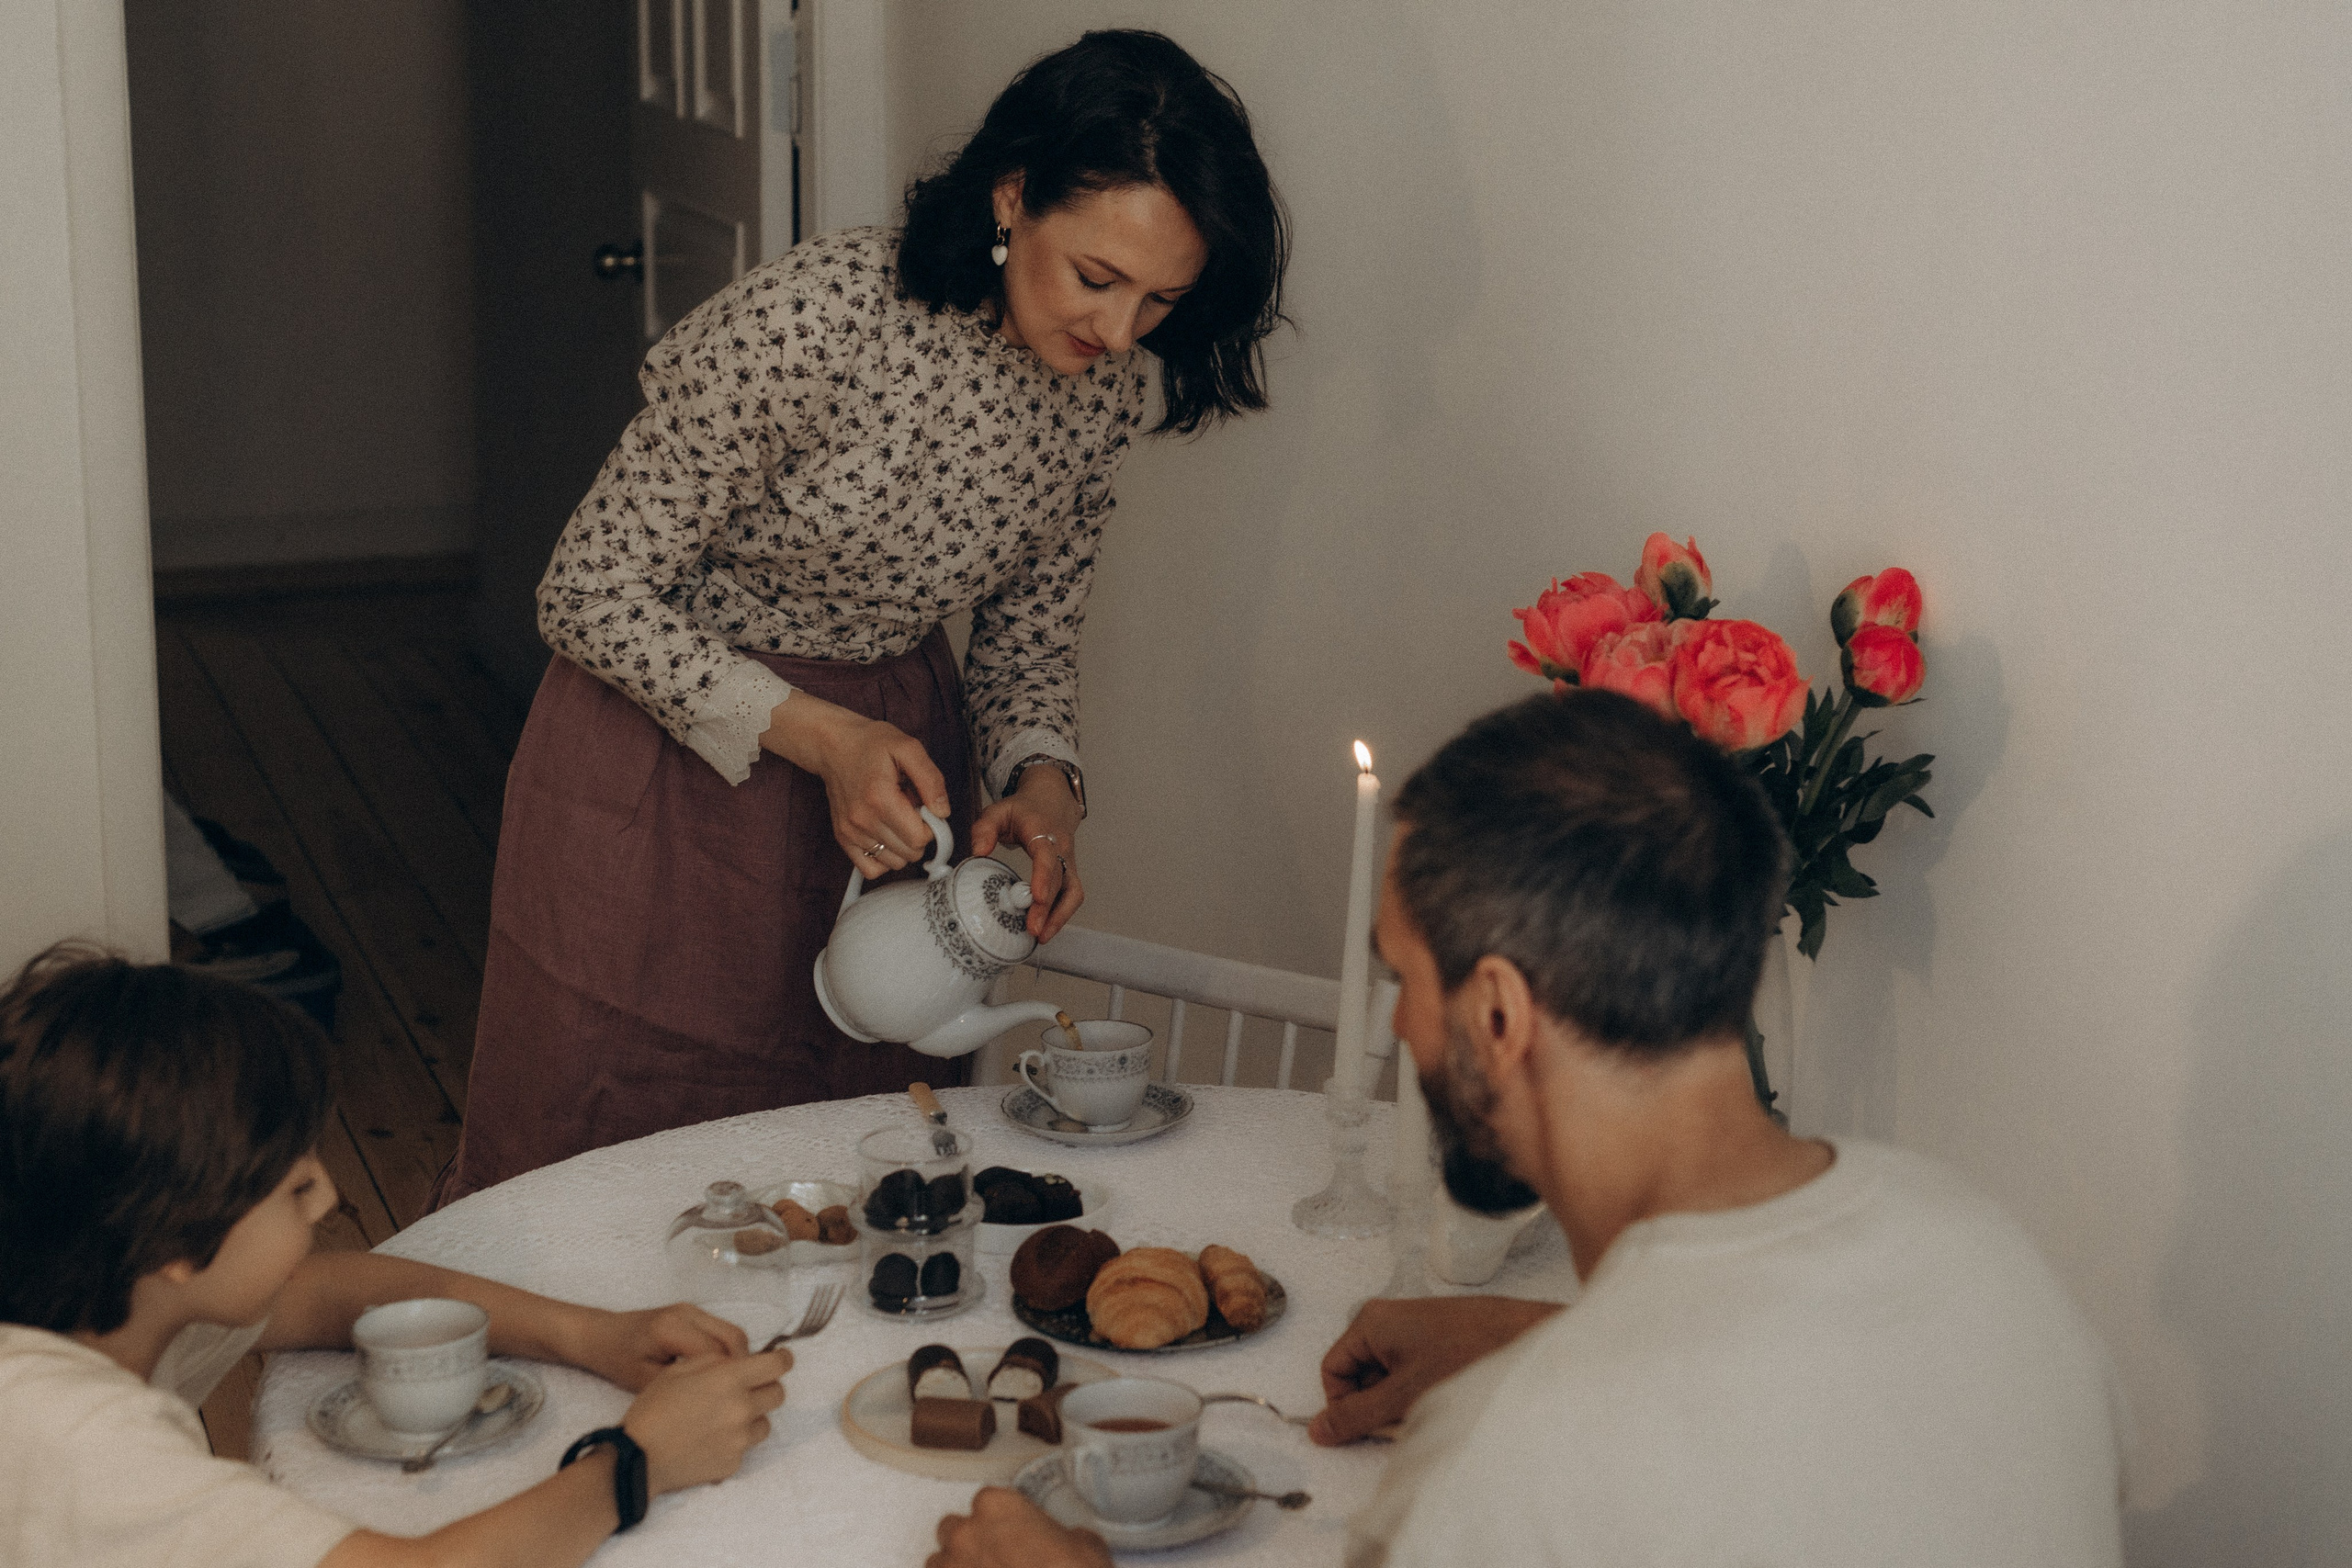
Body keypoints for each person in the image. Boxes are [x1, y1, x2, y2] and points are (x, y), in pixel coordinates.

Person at [928, 691, 2127, 1567]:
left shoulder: (1518, 1467)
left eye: (1405, 977)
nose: (1398, 1021)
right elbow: (1794, 1406)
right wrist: (1538, 1333)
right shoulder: (1983, 1247)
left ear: (1498, 1008)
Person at [438, 28, 1290, 1203]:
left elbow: (1030, 639)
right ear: (1010, 198)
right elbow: (585, 592)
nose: (1119, 333)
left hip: (889, 775)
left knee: (840, 1158)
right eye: (1097, 278)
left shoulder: (1103, 393)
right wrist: (825, 735)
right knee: (604, 1150)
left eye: (1161, 301)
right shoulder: (824, 314)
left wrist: (1045, 785)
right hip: (665, 762)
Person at [0, 946, 792, 1568]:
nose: (330, 1193)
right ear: (176, 1237)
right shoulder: (78, 1441)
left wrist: (587, 1334)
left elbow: (328, 1294)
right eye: (294, 1185)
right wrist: (636, 1462)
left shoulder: (105, 1286)